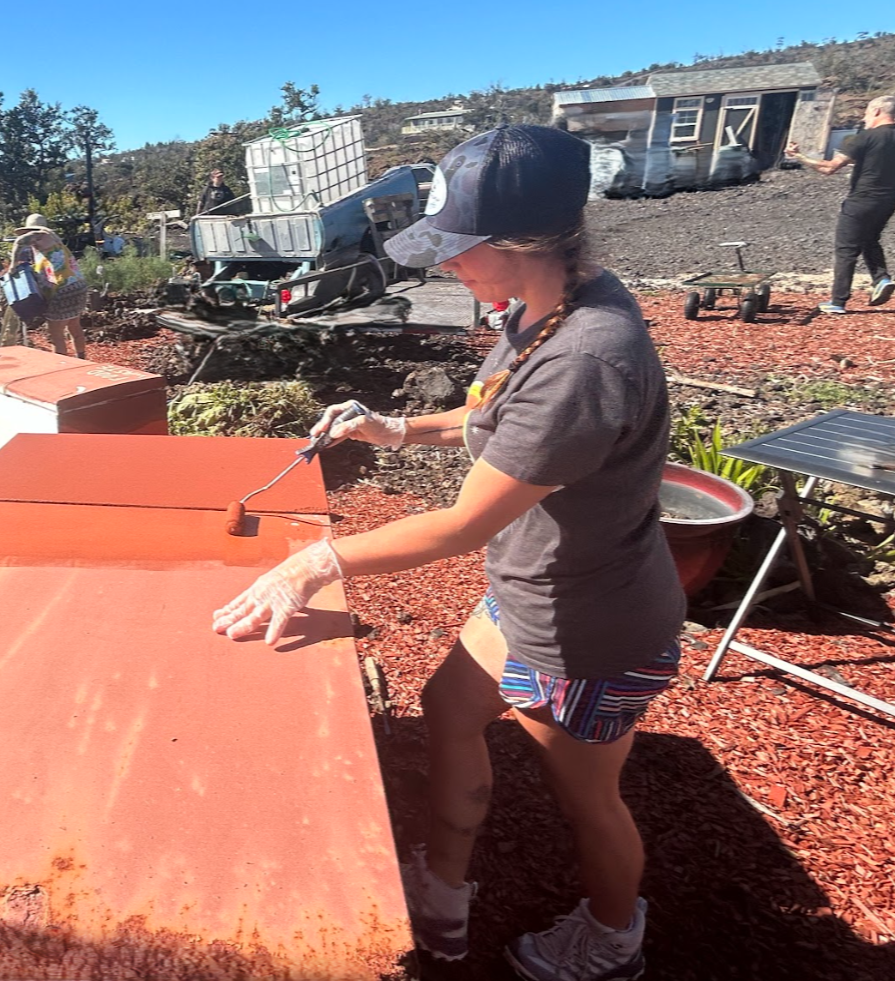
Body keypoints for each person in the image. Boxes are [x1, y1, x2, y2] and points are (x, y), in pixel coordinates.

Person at [212, 124, 687, 981]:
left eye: (458, 249)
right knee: (449, 706)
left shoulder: (586, 358)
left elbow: (463, 525)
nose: (443, 265)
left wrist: (313, 562)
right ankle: (441, 890)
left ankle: (614, 939)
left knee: (589, 803)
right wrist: (397, 425)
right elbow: (494, 417)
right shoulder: (542, 308)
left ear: (525, 243)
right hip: (531, 592)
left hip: (589, 625)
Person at [786, 95, 895, 314]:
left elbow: (829, 168)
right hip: (889, 201)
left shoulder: (865, 137)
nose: (864, 118)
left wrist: (799, 157)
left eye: (866, 113)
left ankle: (838, 301)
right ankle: (882, 279)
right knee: (869, 239)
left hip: (862, 199)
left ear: (876, 112)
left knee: (846, 248)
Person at [9, 214, 89, 359]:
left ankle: (62, 366)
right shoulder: (53, 241)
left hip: (62, 290)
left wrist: (13, 264)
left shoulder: (40, 235)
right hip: (77, 286)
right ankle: (82, 359)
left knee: (56, 334)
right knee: (74, 326)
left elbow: (20, 242)